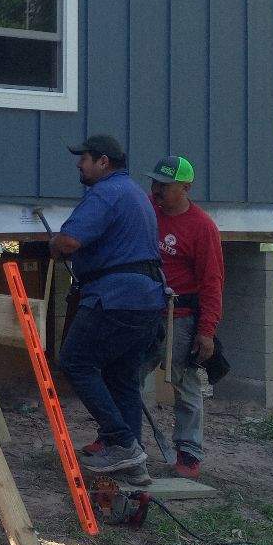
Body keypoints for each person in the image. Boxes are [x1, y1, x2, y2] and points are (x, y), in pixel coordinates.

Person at [51, 134, 167, 479]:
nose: (79, 164)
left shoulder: (105, 193)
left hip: (115, 298)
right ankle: (134, 465)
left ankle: (121, 443)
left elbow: (70, 240)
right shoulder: (135, 194)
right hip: (147, 300)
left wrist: (54, 245)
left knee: (75, 361)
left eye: (84, 158)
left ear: (104, 162)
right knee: (122, 378)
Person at [147, 155, 223, 480]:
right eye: (155, 183)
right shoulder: (148, 210)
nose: (157, 190)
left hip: (183, 317)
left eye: (165, 186)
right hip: (146, 311)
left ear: (185, 188)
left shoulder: (202, 227)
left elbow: (212, 282)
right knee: (128, 373)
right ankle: (120, 440)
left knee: (185, 383)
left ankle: (189, 454)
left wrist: (206, 331)